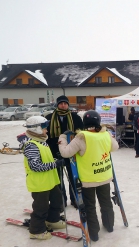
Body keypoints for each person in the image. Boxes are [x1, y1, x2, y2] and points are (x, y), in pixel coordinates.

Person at [58, 110, 119, 242]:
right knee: (106, 202)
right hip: (104, 176)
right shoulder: (105, 134)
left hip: (88, 180)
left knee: (90, 206)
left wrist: (62, 139)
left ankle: (94, 233)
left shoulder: (81, 137)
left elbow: (66, 153)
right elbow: (115, 147)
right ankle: (109, 225)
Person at [21, 116, 66, 240]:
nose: (46, 130)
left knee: (57, 200)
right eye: (44, 127)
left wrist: (55, 160)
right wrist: (54, 164)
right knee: (41, 208)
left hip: (50, 181)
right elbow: (35, 166)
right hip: (40, 184)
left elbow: (44, 160)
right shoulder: (31, 145)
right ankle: (36, 230)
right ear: (36, 129)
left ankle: (52, 219)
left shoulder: (42, 141)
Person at [45, 95, 84, 209]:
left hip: (72, 152)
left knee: (73, 177)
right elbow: (45, 135)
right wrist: (53, 147)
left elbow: (81, 134)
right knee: (58, 179)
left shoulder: (75, 117)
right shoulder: (49, 117)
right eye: (61, 103)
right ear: (57, 105)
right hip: (55, 152)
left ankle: (75, 199)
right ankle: (61, 201)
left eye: (65, 103)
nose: (63, 105)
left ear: (68, 105)